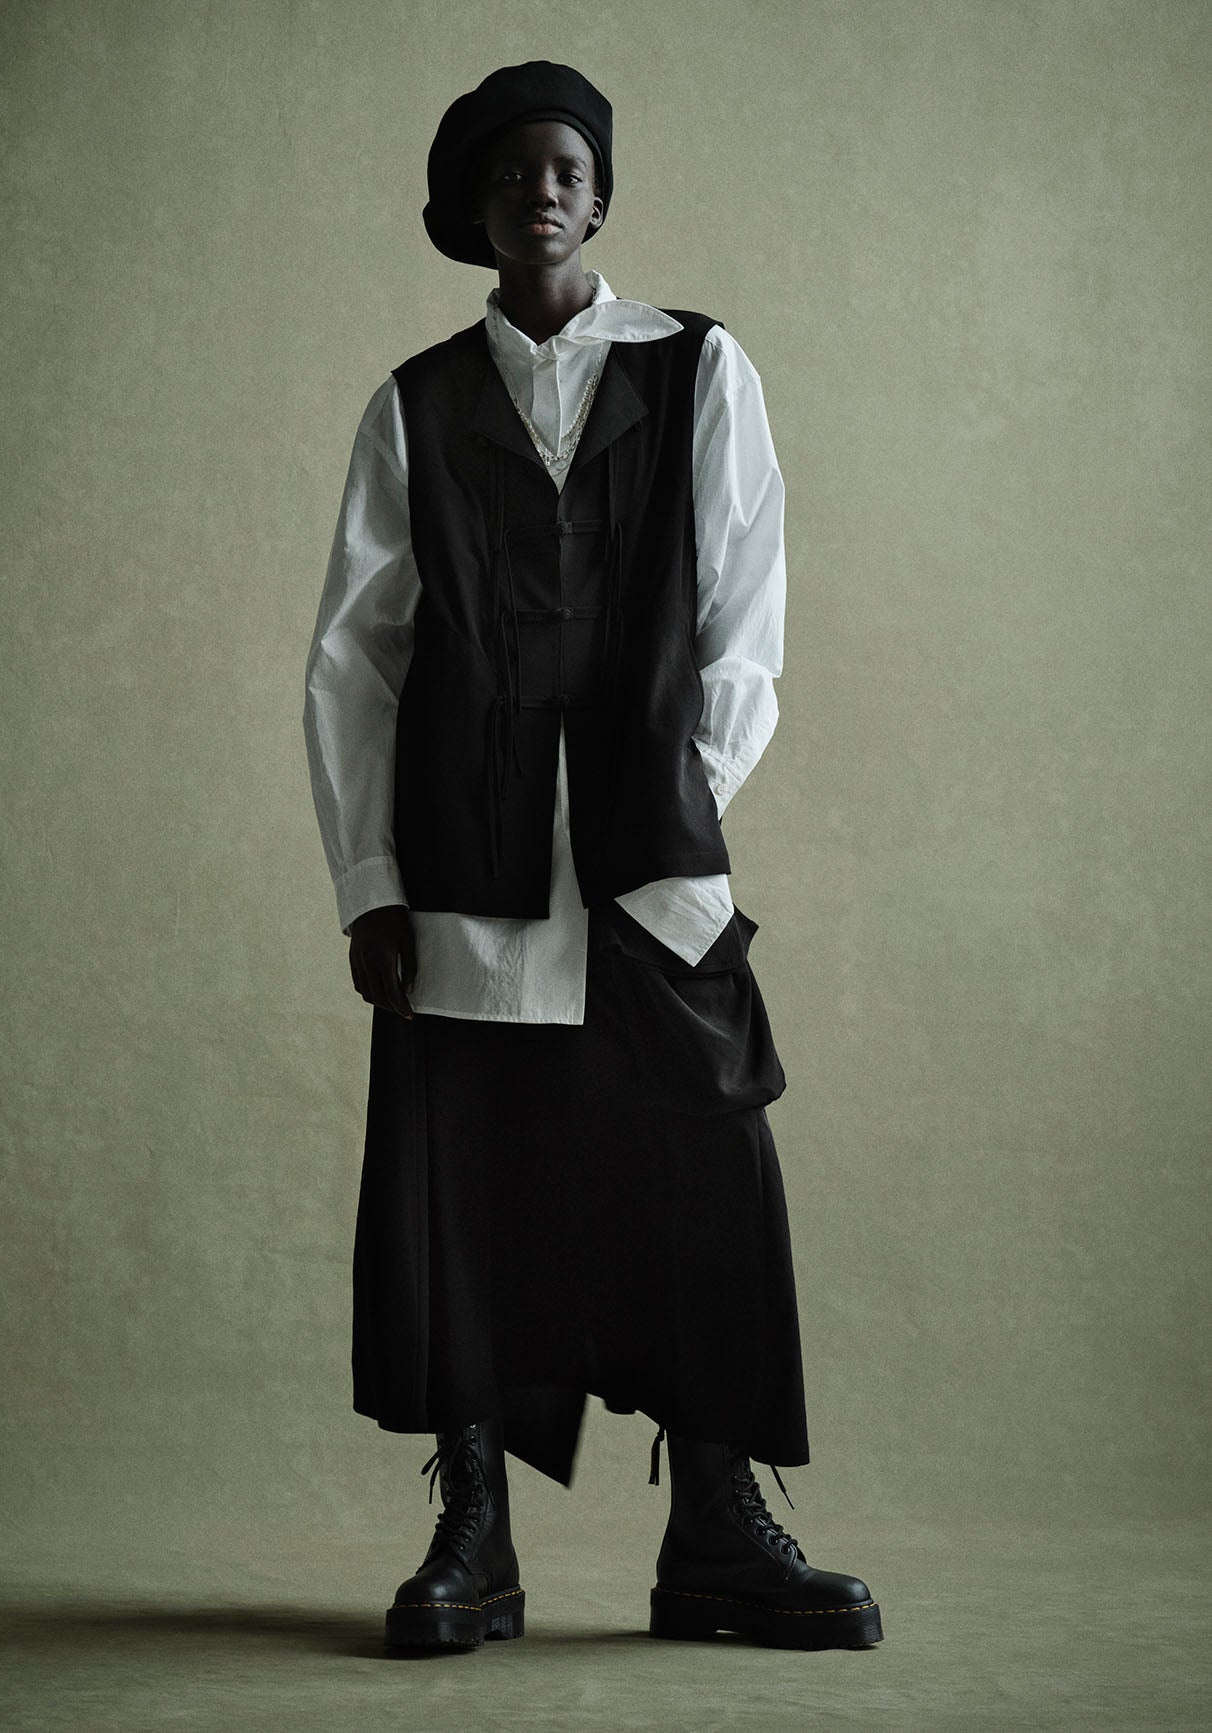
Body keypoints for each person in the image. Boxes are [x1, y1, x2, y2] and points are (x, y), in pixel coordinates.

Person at [303, 61, 882, 1654]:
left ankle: (718, 1532)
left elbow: (746, 611)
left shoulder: (699, 368)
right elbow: (356, 656)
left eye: (565, 167)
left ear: (601, 193)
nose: (540, 190)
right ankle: (474, 1534)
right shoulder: (416, 403)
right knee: (465, 1189)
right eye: (510, 172)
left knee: (704, 1174)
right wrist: (368, 883)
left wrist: (674, 795)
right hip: (463, 868)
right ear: (472, 209)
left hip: (649, 865)